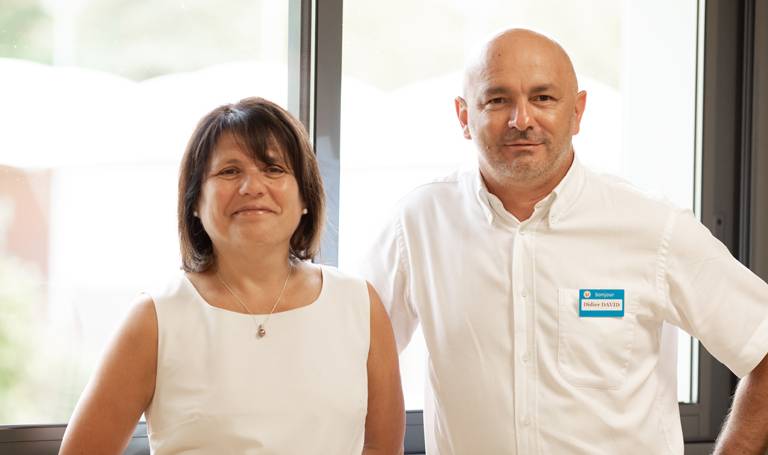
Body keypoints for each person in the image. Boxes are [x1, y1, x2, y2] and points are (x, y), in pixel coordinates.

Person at [359, 29, 768, 454]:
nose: (522, 119)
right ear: (464, 116)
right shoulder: (419, 223)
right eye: (498, 100)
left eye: (543, 98)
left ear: (577, 112)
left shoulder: (653, 226)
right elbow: (351, 352)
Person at [60, 97, 404, 454]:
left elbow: (381, 448)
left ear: (305, 197)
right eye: (229, 171)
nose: (252, 187)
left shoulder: (358, 303)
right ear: (195, 202)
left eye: (273, 169)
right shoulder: (155, 318)